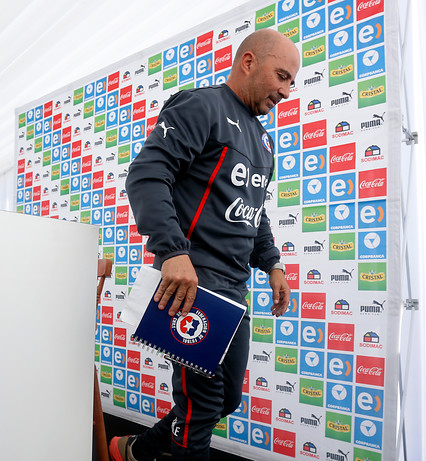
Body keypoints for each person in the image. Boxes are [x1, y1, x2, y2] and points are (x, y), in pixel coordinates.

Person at [109, 29, 299, 461]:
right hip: (190, 283)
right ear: (248, 62)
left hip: (234, 289)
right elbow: (146, 174)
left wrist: (272, 265)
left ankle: (135, 449)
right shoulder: (202, 105)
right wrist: (173, 251)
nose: (287, 91)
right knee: (203, 404)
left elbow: (255, 211)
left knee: (225, 399)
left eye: (292, 82)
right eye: (282, 76)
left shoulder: (264, 142)